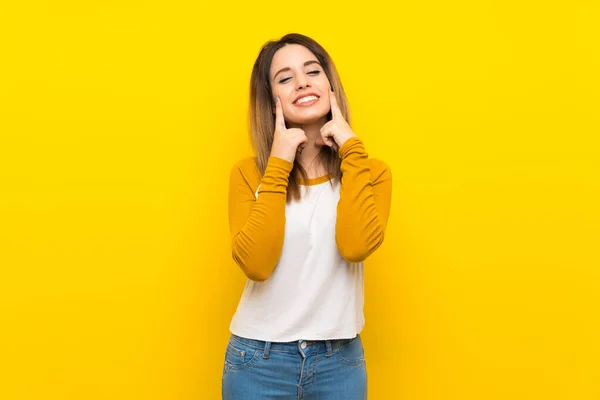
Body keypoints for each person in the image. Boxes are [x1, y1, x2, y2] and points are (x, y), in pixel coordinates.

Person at [222, 33, 392, 399]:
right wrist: (280, 161)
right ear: (272, 103)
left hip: (339, 364)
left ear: (330, 85)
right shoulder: (248, 174)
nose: (301, 82)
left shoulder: (369, 172)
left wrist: (352, 150)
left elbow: (355, 246)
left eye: (312, 71)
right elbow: (256, 265)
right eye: (284, 78)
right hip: (257, 363)